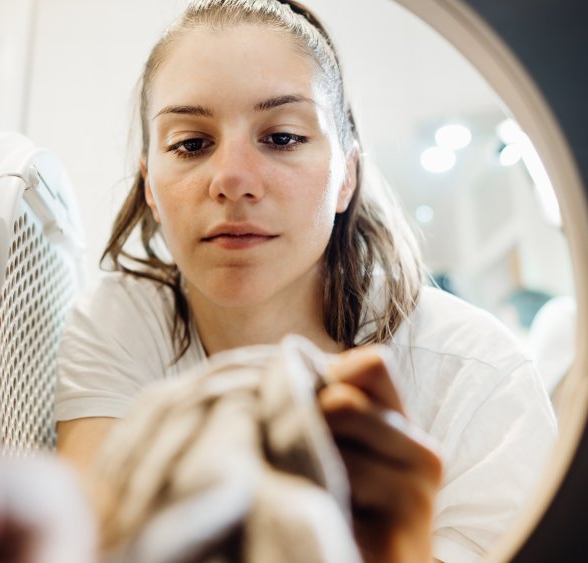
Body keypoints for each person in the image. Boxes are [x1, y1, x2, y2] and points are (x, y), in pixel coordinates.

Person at [54, 1, 557, 561]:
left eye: (284, 137)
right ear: (151, 186)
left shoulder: (478, 378)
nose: (233, 180)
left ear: (347, 175)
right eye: (191, 144)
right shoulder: (121, 325)